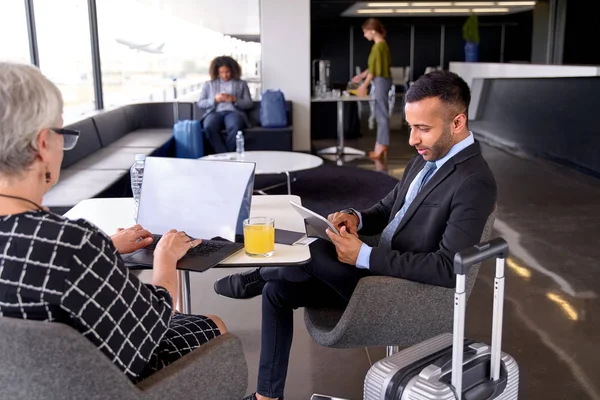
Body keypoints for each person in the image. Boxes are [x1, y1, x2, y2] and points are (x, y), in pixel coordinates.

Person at [214, 70, 497, 400]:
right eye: (410, 127)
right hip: (373, 270)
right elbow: (387, 209)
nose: (412, 140)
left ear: (458, 123)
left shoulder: (474, 181)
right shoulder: (425, 159)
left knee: (316, 252)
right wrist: (356, 218)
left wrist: (364, 255)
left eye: (423, 128)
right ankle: (267, 396)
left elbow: (448, 269)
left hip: (404, 292)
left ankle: (256, 277)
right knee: (277, 291)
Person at [0, 62, 227, 382]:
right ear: (42, 144)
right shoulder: (73, 243)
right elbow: (152, 323)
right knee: (212, 324)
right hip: (92, 382)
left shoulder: (68, 244)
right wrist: (165, 258)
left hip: (19, 382)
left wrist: (104, 247)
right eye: (62, 134)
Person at [352, 18, 393, 160]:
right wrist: (361, 76)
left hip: (381, 81)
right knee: (380, 112)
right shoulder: (380, 45)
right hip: (382, 80)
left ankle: (381, 145)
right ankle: (381, 144)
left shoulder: (379, 46)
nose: (364, 35)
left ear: (373, 30)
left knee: (381, 113)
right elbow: (372, 67)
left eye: (365, 31)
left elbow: (375, 71)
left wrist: (364, 85)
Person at [198, 56, 254, 153]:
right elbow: (201, 103)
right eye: (221, 72)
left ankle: (228, 154)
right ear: (217, 72)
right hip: (214, 112)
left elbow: (249, 103)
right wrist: (214, 100)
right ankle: (224, 154)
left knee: (235, 126)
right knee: (209, 126)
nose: (225, 75)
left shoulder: (241, 84)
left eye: (227, 72)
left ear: (232, 70)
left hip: (234, 112)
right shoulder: (209, 84)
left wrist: (234, 99)